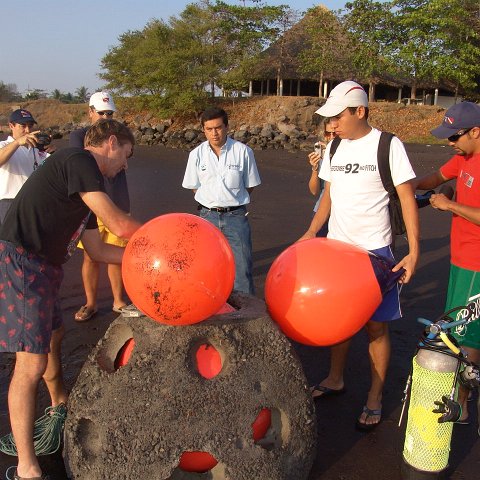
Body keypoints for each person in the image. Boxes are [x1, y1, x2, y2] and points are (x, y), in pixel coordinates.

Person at [0, 119, 141, 480]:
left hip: (44, 268)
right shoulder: (78, 160)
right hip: (21, 260)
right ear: (112, 142)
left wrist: (143, 261)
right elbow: (121, 225)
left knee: (54, 337)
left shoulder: (82, 192)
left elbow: (97, 248)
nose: (125, 164)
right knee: (30, 363)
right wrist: (167, 240)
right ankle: (27, 468)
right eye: (126, 153)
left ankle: (58, 404)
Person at [299, 81, 419, 430]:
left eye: (338, 117)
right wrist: (310, 232)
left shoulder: (387, 145)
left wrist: (413, 252)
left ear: (360, 111)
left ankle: (375, 396)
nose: (332, 124)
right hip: (337, 251)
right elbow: (327, 198)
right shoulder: (335, 148)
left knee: (375, 328)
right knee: (339, 321)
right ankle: (336, 378)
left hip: (375, 254)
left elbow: (408, 200)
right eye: (330, 118)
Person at [413, 101, 480, 425]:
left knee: (466, 334)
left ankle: (462, 402)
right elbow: (436, 176)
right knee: (458, 326)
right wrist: (406, 185)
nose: (450, 143)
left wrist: (449, 204)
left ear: (475, 132)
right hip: (460, 258)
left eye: (454, 137)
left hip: (476, 263)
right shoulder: (464, 157)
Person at [182, 107, 261, 294]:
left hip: (236, 216)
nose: (214, 133)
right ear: (203, 130)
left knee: (242, 270)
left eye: (218, 128)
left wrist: (231, 199)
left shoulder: (243, 152)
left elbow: (250, 185)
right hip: (206, 216)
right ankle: (213, 309)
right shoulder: (196, 154)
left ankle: (247, 317)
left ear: (226, 127)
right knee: (207, 268)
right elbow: (194, 186)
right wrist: (211, 201)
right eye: (209, 129)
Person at [70, 91, 131, 321]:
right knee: (91, 256)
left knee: (117, 255)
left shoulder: (119, 136)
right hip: (93, 204)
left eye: (110, 113)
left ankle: (118, 300)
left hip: (119, 202)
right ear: (90, 112)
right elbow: (82, 159)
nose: (106, 117)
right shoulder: (80, 136)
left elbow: (127, 152)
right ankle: (91, 303)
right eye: (101, 112)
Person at [0, 109, 49, 224]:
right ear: (11, 126)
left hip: (33, 203)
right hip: (9, 202)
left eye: (30, 126)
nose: (27, 130)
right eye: (23, 126)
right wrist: (17, 143)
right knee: (8, 241)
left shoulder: (36, 150)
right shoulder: (3, 145)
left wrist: (53, 155)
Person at [307, 117, 336, 237]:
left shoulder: (350, 154)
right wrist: (314, 168)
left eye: (334, 133)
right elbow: (314, 191)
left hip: (343, 213)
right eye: (328, 133)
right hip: (321, 210)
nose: (331, 137)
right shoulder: (322, 157)